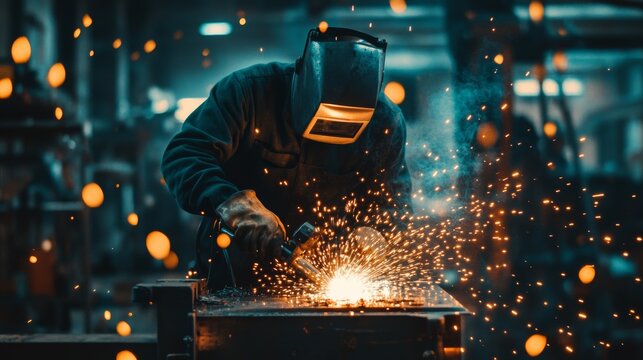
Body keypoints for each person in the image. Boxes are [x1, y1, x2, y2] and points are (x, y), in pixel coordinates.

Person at [161, 27, 412, 289]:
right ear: (304, 82)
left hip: (322, 281)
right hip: (232, 274)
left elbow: (395, 205)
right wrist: (234, 206)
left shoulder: (385, 122)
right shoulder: (247, 94)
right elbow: (184, 156)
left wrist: (378, 236)